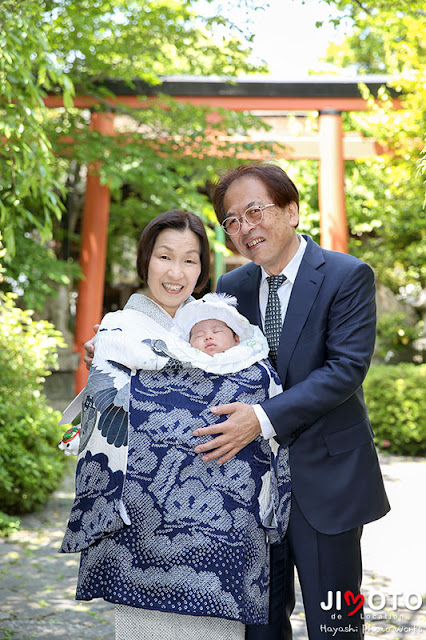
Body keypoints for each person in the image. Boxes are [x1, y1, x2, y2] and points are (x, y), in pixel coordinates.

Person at [62, 209, 291, 640]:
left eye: (190, 260)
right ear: (146, 259)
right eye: (165, 257)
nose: (176, 271)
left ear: (203, 269)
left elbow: (260, 389)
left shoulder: (219, 329)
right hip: (141, 525)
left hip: (220, 527)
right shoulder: (119, 330)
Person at [190, 163, 390, 640]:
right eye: (232, 220)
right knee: (258, 628)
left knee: (336, 626)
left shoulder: (347, 275)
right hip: (249, 490)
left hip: (328, 482)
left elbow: (345, 370)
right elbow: (199, 353)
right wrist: (120, 348)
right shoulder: (230, 290)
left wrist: (260, 419)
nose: (244, 228)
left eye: (255, 211)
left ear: (292, 210)